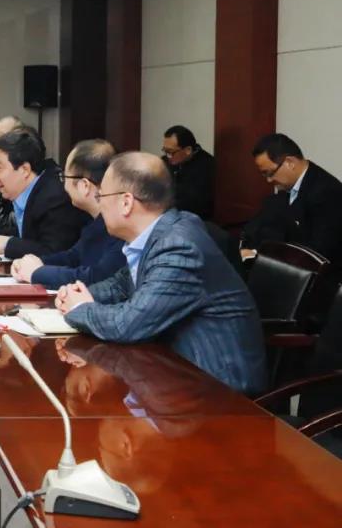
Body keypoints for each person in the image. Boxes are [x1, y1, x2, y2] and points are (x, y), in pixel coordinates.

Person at [55, 152, 267, 395]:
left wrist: (79, 308)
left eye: (101, 195)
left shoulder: (178, 245)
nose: (100, 204)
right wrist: (77, 294)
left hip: (216, 390)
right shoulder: (159, 234)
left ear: (126, 202)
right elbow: (121, 284)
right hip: (171, 375)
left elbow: (129, 324)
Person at [10, 139, 125, 289]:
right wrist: (34, 263)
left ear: (84, 185)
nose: (62, 185)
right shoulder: (95, 221)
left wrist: (38, 272)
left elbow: (95, 277)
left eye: (64, 177)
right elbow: (74, 257)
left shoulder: (119, 227)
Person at [0, 129, 88, 258]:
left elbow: (53, 252)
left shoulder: (54, 197)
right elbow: (27, 230)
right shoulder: (35, 189)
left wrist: (9, 244)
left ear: (25, 170)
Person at [241, 133, 342, 263]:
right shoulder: (287, 189)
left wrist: (261, 257)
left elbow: (317, 254)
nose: (269, 180)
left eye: (270, 173)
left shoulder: (326, 193)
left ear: (290, 163)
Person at [161, 125, 215, 219]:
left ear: (188, 150)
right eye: (165, 151)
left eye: (171, 152)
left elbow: (197, 203)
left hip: (193, 219)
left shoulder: (208, 166)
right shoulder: (164, 162)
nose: (168, 156)